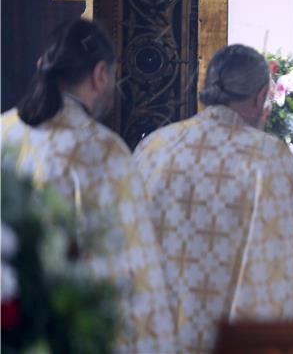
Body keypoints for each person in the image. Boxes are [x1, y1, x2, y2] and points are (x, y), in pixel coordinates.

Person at [1, 19, 175, 352]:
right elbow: (133, 270)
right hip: (69, 333)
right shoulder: (102, 150)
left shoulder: (3, 132)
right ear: (100, 75)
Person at [133, 44, 293, 352]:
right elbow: (283, 271)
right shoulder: (268, 157)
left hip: (156, 336)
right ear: (260, 98)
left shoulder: (154, 148)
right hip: (229, 341)